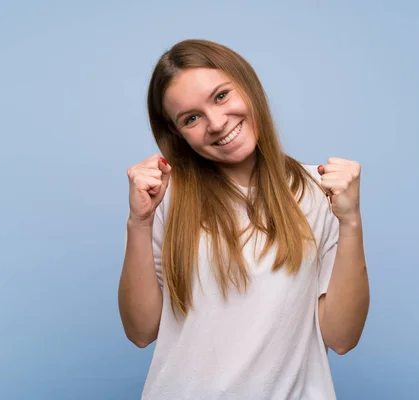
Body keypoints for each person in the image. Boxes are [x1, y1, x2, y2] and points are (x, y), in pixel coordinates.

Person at [118, 39, 370, 399]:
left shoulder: (320, 191)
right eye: (191, 118)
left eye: (221, 96)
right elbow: (141, 331)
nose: (217, 123)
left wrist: (351, 222)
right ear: (177, 132)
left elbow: (342, 338)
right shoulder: (164, 197)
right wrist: (138, 223)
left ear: (247, 85)